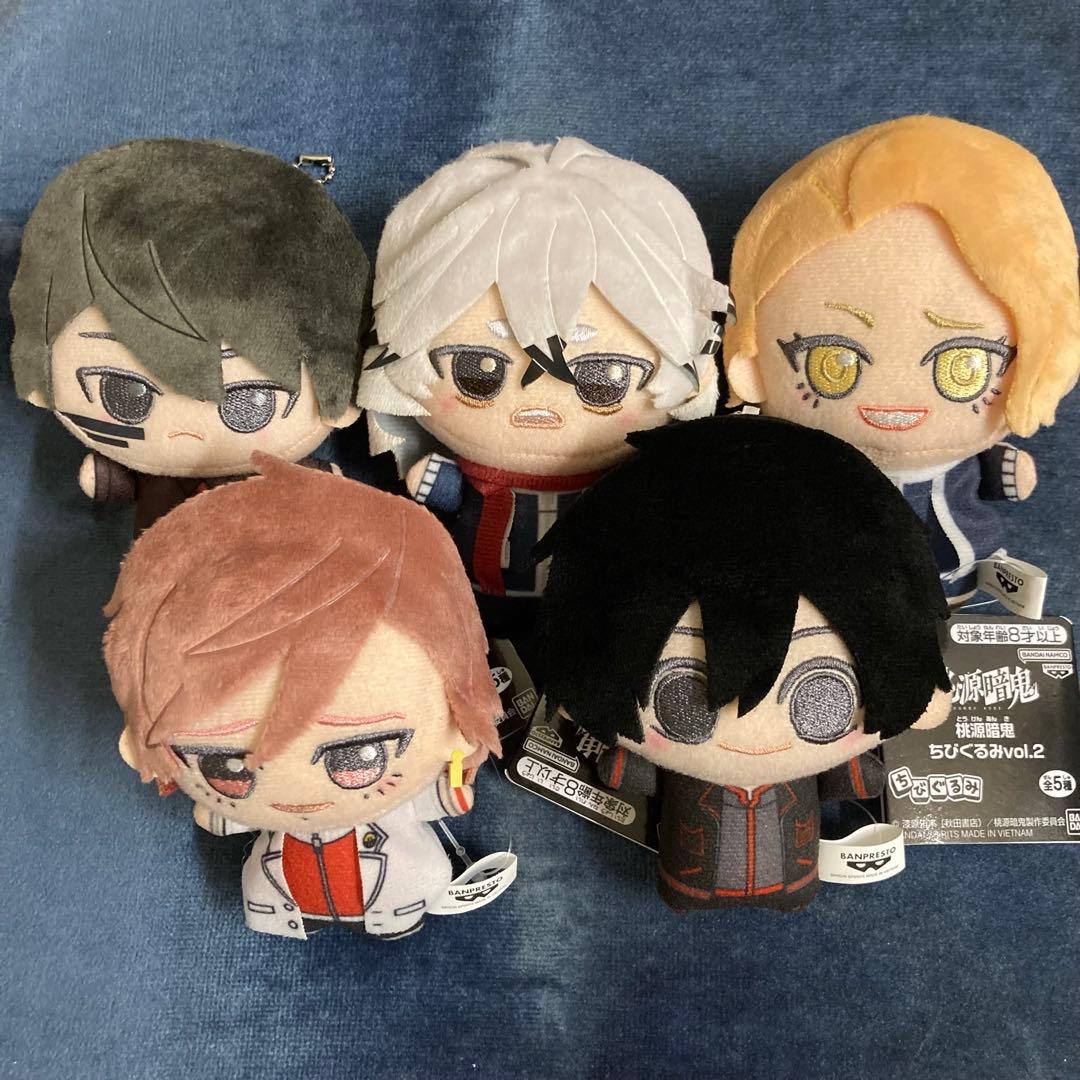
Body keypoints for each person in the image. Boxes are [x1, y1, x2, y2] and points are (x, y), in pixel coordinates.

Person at [538, 415, 952, 912]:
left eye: (823, 699)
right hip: (691, 872)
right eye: (682, 701)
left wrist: (854, 773)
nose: (752, 734)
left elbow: (856, 777)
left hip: (793, 871)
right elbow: (627, 769)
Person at [103, 455, 502, 939]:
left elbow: (440, 799)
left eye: (356, 757)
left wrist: (452, 785)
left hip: (390, 889)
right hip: (285, 893)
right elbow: (218, 820)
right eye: (226, 769)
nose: (302, 797)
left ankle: (388, 920)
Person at [356, 137, 728, 638]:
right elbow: (431, 498)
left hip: (590, 623)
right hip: (473, 615)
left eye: (602, 378)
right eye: (478, 372)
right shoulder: (459, 475)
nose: (537, 402)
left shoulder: (624, 490)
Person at [723, 115, 1080, 599]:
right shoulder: (810, 463)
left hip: (957, 581)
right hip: (839, 593)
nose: (895, 398)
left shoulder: (966, 461)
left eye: (963, 367)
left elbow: (996, 475)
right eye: (834, 364)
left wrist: (1004, 470)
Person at [10, 138, 370, 534]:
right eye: (124, 394)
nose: (184, 433)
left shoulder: (275, 476)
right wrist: (112, 479)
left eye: (249, 402)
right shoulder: (154, 476)